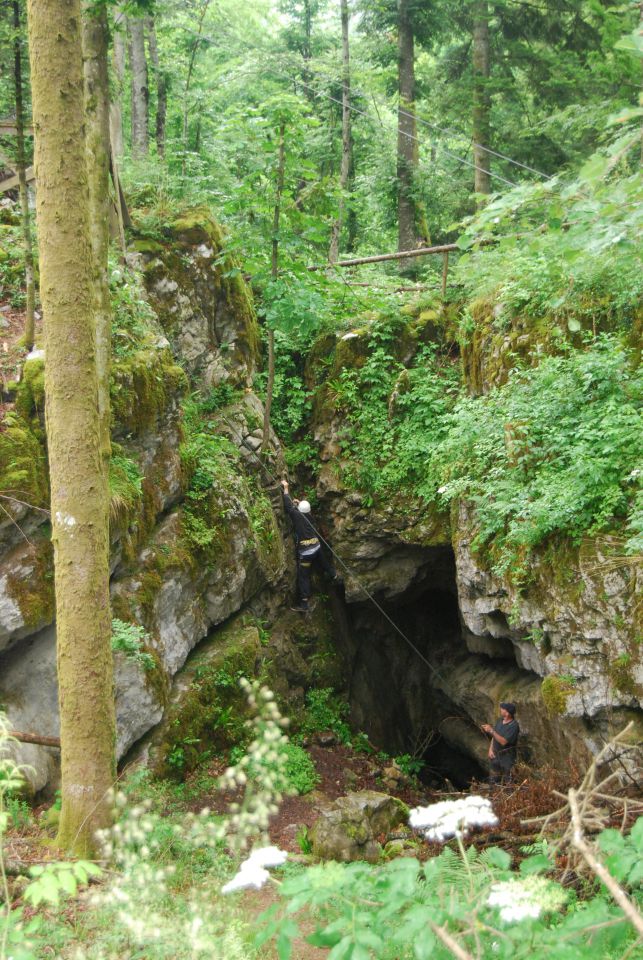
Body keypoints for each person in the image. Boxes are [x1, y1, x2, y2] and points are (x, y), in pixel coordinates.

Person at [280, 479, 339, 612]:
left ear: (299, 510)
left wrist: (286, 489)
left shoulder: (296, 516)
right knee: (323, 561)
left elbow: (288, 507)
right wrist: (299, 503)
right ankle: (334, 575)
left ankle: (304, 603)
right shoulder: (310, 516)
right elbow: (303, 509)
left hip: (306, 553)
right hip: (316, 547)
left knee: (303, 576)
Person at [481, 702, 519, 783]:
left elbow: (503, 742)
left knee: (509, 783)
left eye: (502, 709)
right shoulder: (500, 721)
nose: (500, 709)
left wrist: (491, 730)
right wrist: (490, 749)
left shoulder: (514, 726)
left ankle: (508, 794)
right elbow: (494, 737)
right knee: (493, 780)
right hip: (495, 756)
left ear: (507, 713)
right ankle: (493, 793)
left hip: (507, 760)